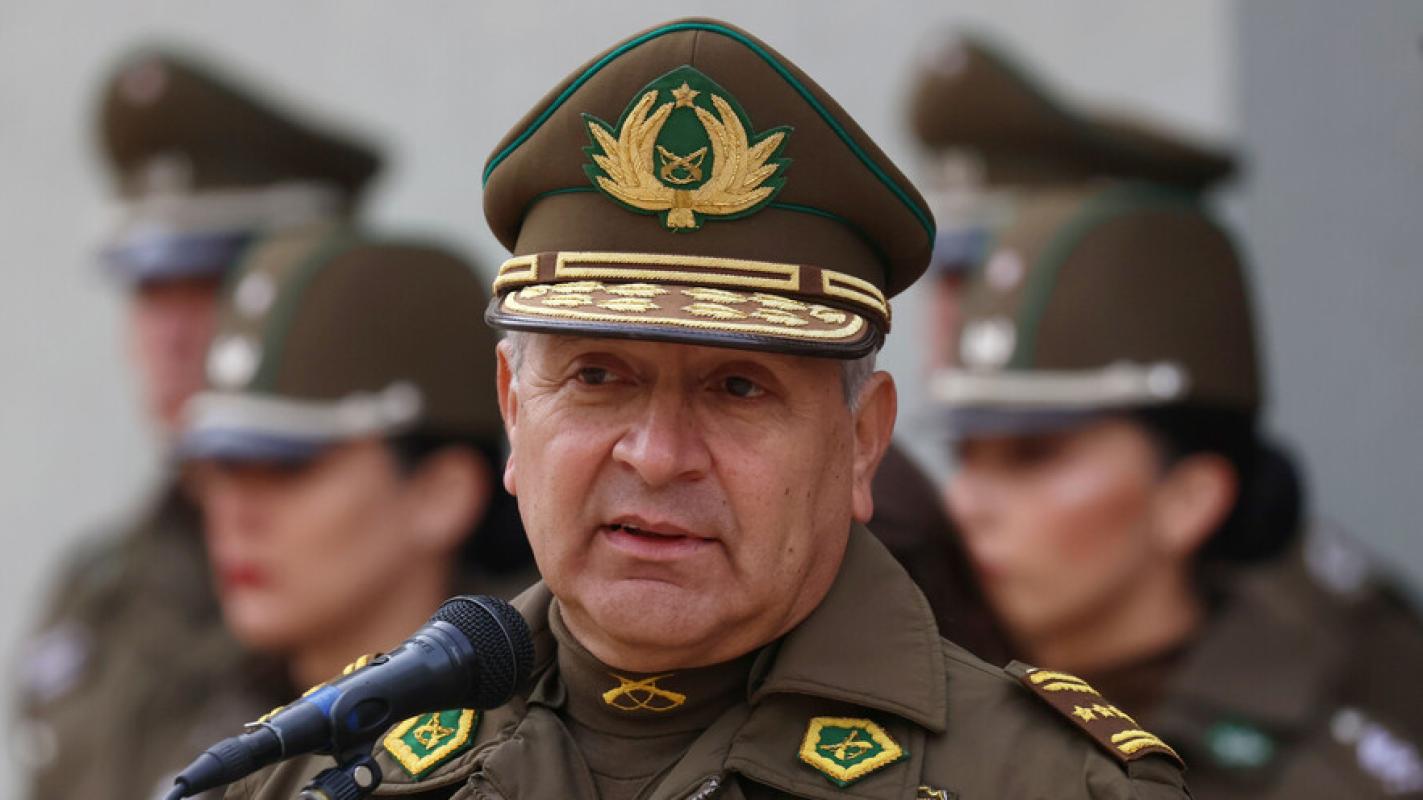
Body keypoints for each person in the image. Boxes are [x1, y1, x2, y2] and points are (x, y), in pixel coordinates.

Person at [226, 18, 1189, 799]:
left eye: (737, 388)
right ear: (513, 410)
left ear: (861, 442)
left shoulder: (1050, 786)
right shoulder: (316, 772)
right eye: (597, 377)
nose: (656, 455)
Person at [915, 32, 1423, 797]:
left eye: (1033, 455)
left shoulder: (1325, 733)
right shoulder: (917, 652)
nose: (964, 502)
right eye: (962, 453)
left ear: (1188, 499)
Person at [14, 49, 382, 800]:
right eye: (150, 291)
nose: (171, 336)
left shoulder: (425, 591)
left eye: (217, 282)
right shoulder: (99, 594)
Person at [180, 225, 535, 705]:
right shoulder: (185, 707)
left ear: (442, 496)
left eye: (287, 468)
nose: (233, 514)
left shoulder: (533, 739)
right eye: (221, 468)